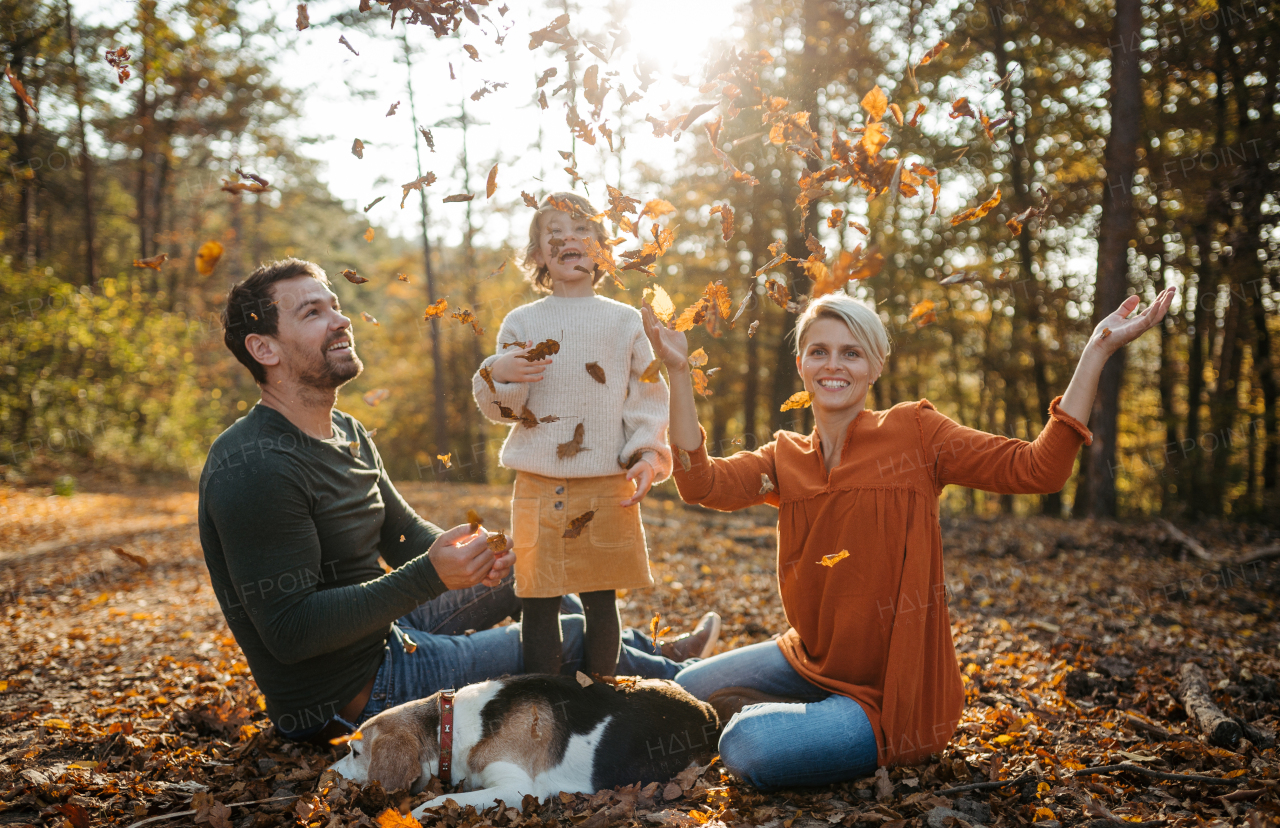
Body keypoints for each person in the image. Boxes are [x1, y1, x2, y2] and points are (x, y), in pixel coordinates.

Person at [641, 285, 1176, 788]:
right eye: (820, 351)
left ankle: (786, 724)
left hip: (893, 698)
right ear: (801, 363)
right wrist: (679, 371)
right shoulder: (784, 458)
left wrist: (1096, 352)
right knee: (680, 694)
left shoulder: (916, 433)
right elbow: (700, 482)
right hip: (812, 660)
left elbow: (1038, 469)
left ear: (874, 365)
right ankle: (793, 718)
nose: (834, 365)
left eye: (852, 353)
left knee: (747, 745)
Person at [197, 258, 720, 746]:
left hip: (385, 631)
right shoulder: (255, 466)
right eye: (313, 312)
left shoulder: (347, 432)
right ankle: (693, 684)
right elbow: (291, 633)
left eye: (335, 304)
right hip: (352, 692)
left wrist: (480, 554)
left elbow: (400, 534)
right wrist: (431, 574)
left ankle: (645, 655)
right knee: (574, 636)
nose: (340, 319)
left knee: (534, 568)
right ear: (264, 349)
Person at [472, 192, 720, 679]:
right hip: (540, 485)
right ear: (540, 254)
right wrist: (498, 372)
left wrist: (648, 453)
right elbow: (506, 411)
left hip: (608, 482)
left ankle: (600, 695)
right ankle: (548, 700)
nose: (569, 238)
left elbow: (646, 396)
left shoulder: (624, 320)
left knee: (600, 596)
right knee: (538, 600)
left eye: (582, 229)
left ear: (602, 248)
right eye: (554, 233)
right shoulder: (522, 323)